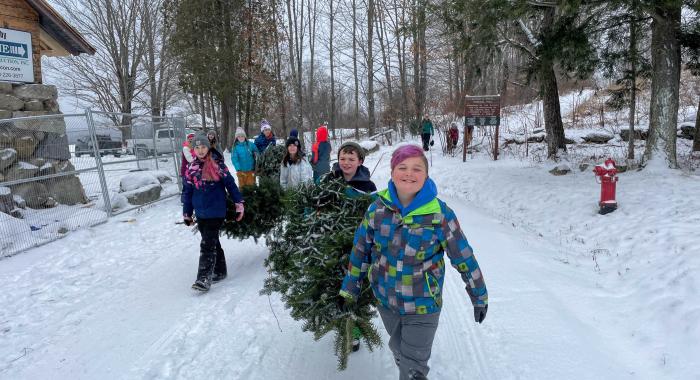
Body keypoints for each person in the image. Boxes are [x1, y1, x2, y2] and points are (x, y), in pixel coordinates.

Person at [339, 144, 488, 380]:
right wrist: (350, 288)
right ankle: (405, 362)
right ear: (392, 172)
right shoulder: (377, 209)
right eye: (403, 167)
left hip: (423, 304)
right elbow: (361, 249)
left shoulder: (439, 214)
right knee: (399, 350)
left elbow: (463, 256)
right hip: (386, 300)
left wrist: (478, 295)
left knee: (413, 366)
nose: (409, 173)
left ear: (426, 175)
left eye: (417, 168)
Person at [182, 133, 244, 292]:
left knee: (207, 244)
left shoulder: (217, 165)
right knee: (212, 241)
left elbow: (230, 185)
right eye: (197, 147)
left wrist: (239, 204)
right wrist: (187, 213)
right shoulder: (191, 168)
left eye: (203, 147)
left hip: (216, 210)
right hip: (201, 212)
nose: (201, 150)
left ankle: (203, 278)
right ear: (193, 150)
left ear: (208, 147)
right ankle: (220, 270)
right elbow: (187, 192)